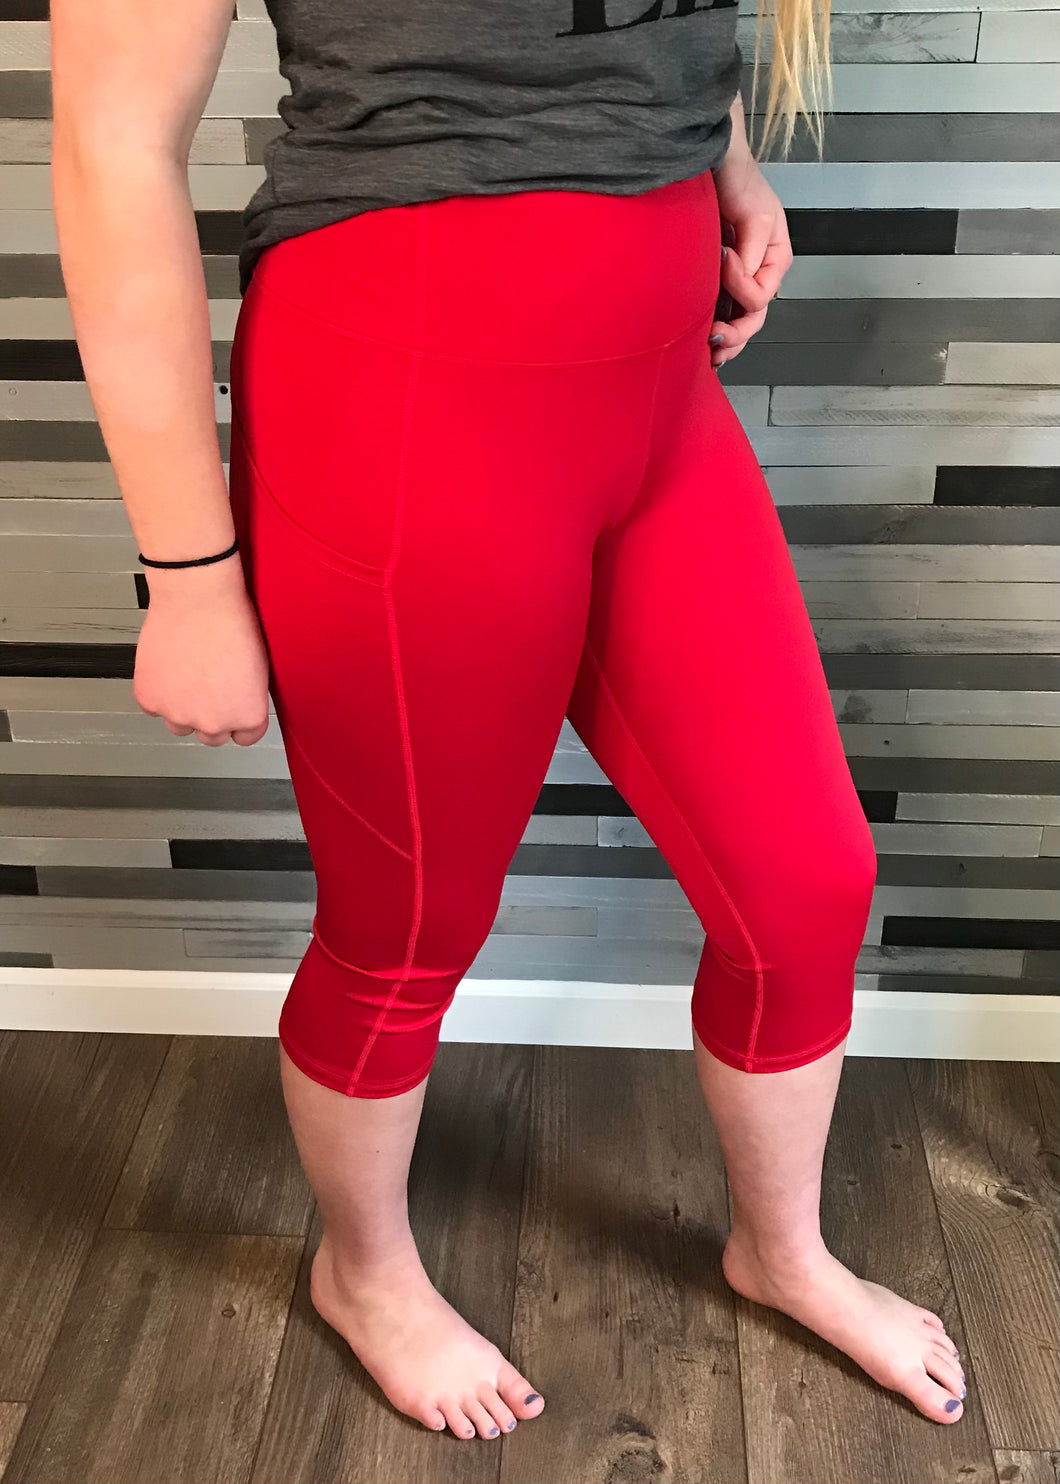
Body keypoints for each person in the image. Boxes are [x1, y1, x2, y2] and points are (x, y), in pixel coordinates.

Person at [50, 0, 967, 1444]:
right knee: (406, 928)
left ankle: (783, 1252)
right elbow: (111, 144)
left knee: (805, 886)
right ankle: (366, 1274)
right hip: (407, 393)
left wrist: (719, 150)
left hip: (658, 397)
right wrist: (188, 575)